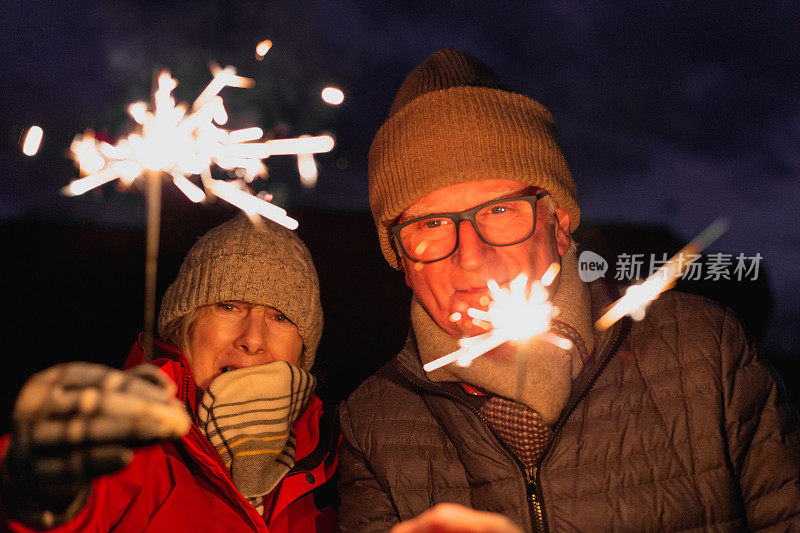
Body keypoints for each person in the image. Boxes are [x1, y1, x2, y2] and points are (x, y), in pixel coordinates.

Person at [337, 49, 800, 532]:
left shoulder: (706, 351)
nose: (471, 256)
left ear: (558, 224)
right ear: (402, 258)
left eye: (499, 210)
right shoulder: (371, 426)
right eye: (431, 222)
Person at [0, 214, 339, 532]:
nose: (253, 338)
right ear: (185, 327)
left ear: (303, 350)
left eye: (280, 317)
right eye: (229, 306)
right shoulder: (134, 444)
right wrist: (42, 486)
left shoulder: (336, 466)